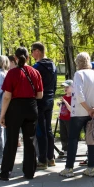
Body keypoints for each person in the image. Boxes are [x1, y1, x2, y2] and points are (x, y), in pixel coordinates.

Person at [0, 47, 43, 181]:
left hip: (15, 108)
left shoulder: (12, 73)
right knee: (30, 140)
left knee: (11, 140)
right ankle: (29, 172)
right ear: (28, 57)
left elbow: (6, 96)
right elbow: (40, 95)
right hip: (31, 106)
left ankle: (5, 172)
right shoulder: (35, 72)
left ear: (15, 58)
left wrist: (2, 115)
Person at [59, 52, 94, 178]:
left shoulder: (78, 74)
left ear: (77, 63)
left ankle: (69, 168)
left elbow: (79, 94)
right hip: (93, 112)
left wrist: (88, 108)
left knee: (73, 139)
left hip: (79, 112)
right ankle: (91, 168)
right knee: (92, 139)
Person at [31, 42, 58, 170]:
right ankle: (51, 157)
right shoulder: (53, 65)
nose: (31, 53)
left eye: (33, 50)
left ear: (38, 51)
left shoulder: (37, 67)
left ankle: (42, 160)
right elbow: (55, 85)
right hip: (50, 99)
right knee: (48, 129)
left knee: (40, 130)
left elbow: (33, 86)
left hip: (40, 100)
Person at [58, 80, 73, 154]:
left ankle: (71, 148)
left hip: (69, 119)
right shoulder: (64, 96)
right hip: (62, 118)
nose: (65, 88)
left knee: (69, 134)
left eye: (67, 87)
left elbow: (71, 109)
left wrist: (65, 102)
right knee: (63, 134)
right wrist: (60, 103)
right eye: (65, 87)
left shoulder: (73, 98)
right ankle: (64, 148)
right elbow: (62, 107)